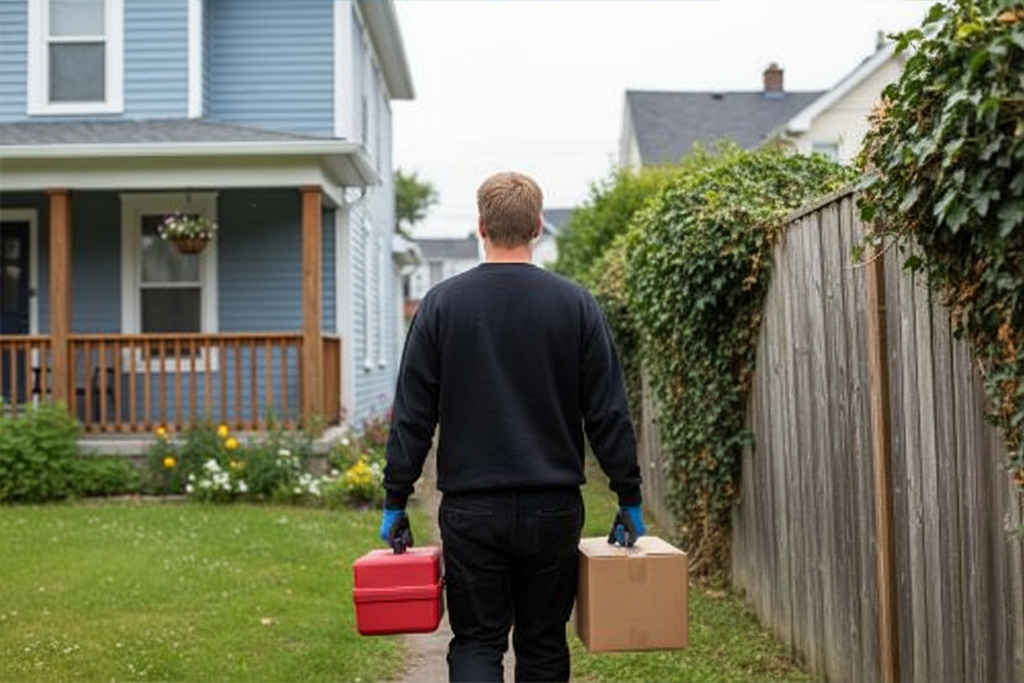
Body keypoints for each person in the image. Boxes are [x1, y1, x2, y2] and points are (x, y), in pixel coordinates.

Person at [380, 171, 645, 683]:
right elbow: (608, 411)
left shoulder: (441, 305)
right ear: (538, 227)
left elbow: (413, 414)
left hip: (472, 509)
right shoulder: (576, 305)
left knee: (477, 642)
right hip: (553, 507)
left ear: (481, 226)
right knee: (543, 645)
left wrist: (396, 498)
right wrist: (628, 495)